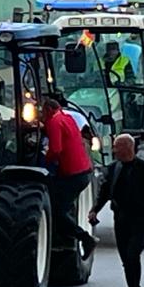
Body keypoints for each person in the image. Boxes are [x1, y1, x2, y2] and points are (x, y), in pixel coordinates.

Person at [89, 133, 144, 287]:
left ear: (128, 148)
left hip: (140, 219)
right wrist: (95, 210)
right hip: (121, 218)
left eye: (118, 147)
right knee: (126, 258)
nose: (114, 151)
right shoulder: (114, 168)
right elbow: (105, 191)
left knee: (132, 255)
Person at [40, 96, 95, 251]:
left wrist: (46, 158)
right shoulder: (68, 117)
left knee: (57, 210)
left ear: (49, 110)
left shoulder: (54, 122)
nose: (42, 116)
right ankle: (68, 239)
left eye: (42, 112)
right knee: (63, 205)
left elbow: (56, 150)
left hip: (72, 174)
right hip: (84, 171)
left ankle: (84, 238)